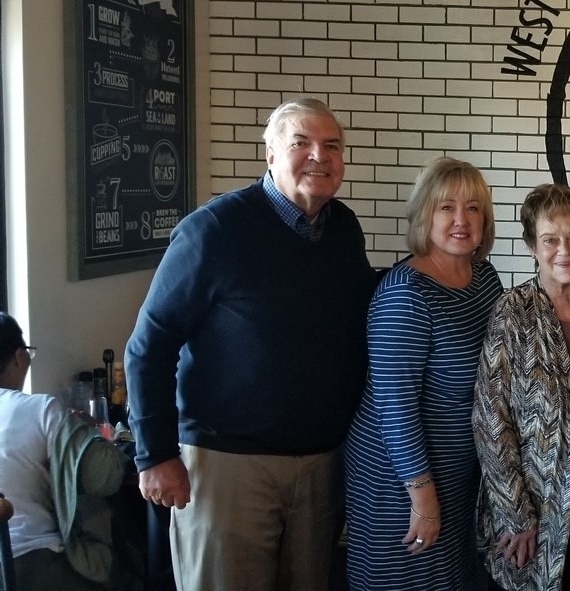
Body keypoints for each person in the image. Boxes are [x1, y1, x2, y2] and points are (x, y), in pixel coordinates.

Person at [125, 97, 375, 590]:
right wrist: (154, 455)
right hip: (227, 467)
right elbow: (149, 346)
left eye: (331, 146)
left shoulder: (343, 229)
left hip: (321, 465)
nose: (318, 156)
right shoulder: (215, 230)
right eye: (301, 143)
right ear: (270, 154)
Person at [344, 157, 504, 590]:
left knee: (451, 579)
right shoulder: (405, 295)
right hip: (400, 477)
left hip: (458, 470)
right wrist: (422, 495)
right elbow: (394, 408)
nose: (460, 220)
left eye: (473, 208)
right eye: (445, 207)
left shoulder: (485, 279)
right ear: (423, 215)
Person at [473, 184, 570, 590]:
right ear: (532, 246)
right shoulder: (513, 311)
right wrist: (516, 513)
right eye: (550, 239)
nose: (564, 250)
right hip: (530, 508)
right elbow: (490, 419)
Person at [0, 313, 128, 591]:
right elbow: (106, 476)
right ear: (20, 356)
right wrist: (88, 432)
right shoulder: (40, 409)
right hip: (30, 563)